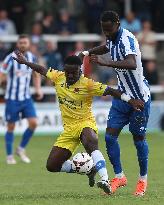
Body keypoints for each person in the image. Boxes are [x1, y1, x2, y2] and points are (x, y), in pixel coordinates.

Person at [13, 52, 144, 194]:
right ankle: (90, 169)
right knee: (52, 166)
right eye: (67, 72)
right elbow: (42, 69)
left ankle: (105, 180)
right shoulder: (58, 77)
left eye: (73, 73)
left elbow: (112, 91)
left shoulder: (88, 84)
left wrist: (131, 101)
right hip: (69, 130)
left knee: (90, 142)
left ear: (80, 71)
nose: (69, 75)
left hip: (85, 123)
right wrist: (26, 62)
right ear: (64, 70)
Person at [79, 11, 151, 196]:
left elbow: (132, 63)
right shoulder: (111, 36)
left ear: (117, 23)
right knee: (110, 137)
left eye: (109, 29)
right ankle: (119, 176)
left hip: (139, 98)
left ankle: (142, 180)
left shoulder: (127, 39)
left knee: (138, 139)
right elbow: (106, 46)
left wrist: (106, 63)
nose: (107, 33)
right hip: (122, 96)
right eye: (104, 30)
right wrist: (87, 53)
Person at [0, 34, 43, 164]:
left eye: (25, 42)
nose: (23, 44)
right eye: (21, 42)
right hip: (12, 98)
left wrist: (38, 89)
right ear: (17, 44)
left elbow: (36, 74)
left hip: (26, 98)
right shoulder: (10, 58)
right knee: (11, 126)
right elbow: (2, 74)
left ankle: (20, 149)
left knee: (34, 123)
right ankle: (9, 156)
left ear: (28, 44)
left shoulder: (32, 57)